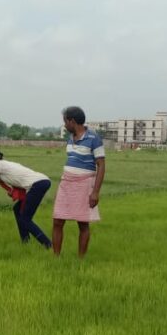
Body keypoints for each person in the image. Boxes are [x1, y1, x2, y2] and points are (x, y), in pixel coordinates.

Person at [52, 106, 105, 258]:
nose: (64, 125)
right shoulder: (70, 138)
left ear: (72, 121)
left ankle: (80, 259)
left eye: (65, 121)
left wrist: (95, 192)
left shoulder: (94, 138)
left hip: (84, 185)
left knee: (82, 223)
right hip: (66, 184)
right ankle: (56, 257)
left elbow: (101, 165)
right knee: (57, 220)